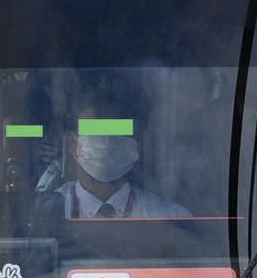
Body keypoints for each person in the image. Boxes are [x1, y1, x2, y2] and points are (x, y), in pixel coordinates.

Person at [36, 73, 191, 223]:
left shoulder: (169, 218)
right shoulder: (42, 216)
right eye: (95, 129)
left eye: (119, 129)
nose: (107, 141)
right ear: (71, 142)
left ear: (136, 142)